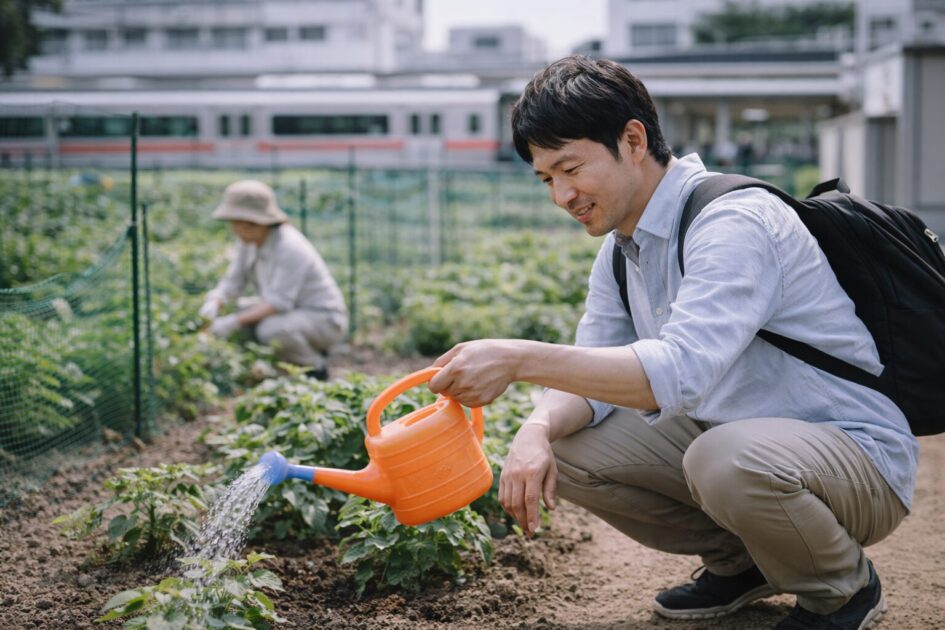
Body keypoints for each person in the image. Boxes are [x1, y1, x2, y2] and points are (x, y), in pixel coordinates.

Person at [428, 56, 916, 629]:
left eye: (570, 168)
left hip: (853, 457)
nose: (561, 195)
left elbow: (677, 371)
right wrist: (534, 430)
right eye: (546, 179)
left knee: (722, 459)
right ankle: (745, 562)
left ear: (633, 140)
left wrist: (519, 358)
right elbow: (593, 379)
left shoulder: (734, 222)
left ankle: (840, 588)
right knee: (565, 443)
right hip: (741, 441)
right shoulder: (620, 251)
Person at [199, 179, 348, 380]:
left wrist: (234, 322)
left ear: (258, 222)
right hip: (293, 312)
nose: (236, 229)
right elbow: (233, 282)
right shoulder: (248, 242)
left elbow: (279, 303)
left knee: (271, 330)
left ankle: (314, 367)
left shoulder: (289, 246)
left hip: (324, 319)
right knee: (238, 312)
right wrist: (216, 301)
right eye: (234, 223)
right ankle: (275, 368)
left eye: (241, 223)